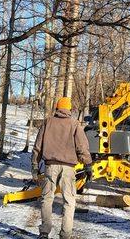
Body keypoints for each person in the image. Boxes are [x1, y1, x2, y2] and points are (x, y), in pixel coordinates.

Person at [32, 97, 93, 239]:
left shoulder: (48, 122)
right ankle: (65, 235)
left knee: (47, 199)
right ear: (69, 109)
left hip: (50, 166)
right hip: (68, 169)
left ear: (57, 108)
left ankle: (44, 233)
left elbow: (37, 148)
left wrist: (35, 167)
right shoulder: (74, 124)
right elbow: (82, 148)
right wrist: (88, 164)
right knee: (69, 201)